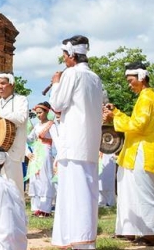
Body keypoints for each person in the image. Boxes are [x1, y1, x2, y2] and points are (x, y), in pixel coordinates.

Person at [48, 35, 103, 249]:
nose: (63, 60)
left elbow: (57, 103)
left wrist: (55, 84)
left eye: (64, 55)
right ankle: (74, 239)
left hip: (73, 143)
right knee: (85, 192)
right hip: (88, 143)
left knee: (75, 194)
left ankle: (80, 241)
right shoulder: (95, 78)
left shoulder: (71, 74)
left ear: (71, 55)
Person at [103, 62, 154, 246]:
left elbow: (138, 126)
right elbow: (134, 123)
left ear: (141, 78)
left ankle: (150, 234)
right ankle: (128, 230)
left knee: (144, 193)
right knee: (127, 191)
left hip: (142, 152)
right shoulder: (143, 97)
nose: (129, 85)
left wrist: (115, 116)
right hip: (132, 152)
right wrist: (117, 113)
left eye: (131, 81)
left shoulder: (147, 98)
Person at [26, 102, 58, 218]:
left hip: (45, 150)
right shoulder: (36, 126)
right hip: (36, 151)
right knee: (35, 178)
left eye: (40, 112)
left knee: (45, 177)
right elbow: (30, 139)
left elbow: (57, 141)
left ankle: (45, 208)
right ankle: (36, 207)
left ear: (46, 112)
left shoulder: (51, 125)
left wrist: (58, 156)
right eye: (37, 113)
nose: (38, 115)